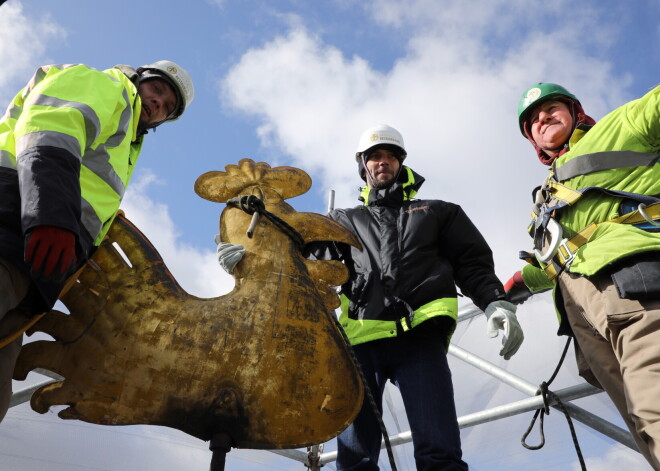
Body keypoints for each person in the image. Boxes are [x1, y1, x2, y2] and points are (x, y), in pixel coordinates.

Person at [217, 124, 524, 470]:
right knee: (355, 458)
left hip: (420, 339)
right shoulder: (340, 222)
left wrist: (495, 301)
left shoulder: (438, 213)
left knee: (439, 451)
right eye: (374, 156)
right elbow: (300, 269)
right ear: (362, 166)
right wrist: (247, 260)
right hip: (358, 345)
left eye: (390, 156)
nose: (383, 162)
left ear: (401, 163)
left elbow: (472, 265)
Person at [0, 60, 194, 422]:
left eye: (167, 107)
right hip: (12, 227)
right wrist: (52, 215)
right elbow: (51, 131)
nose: (158, 105)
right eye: (157, 90)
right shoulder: (106, 87)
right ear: (140, 77)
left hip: (36, 271)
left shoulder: (126, 144)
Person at [505, 83, 660, 469]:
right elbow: (558, 257)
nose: (542, 119)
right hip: (586, 320)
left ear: (575, 112)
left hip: (631, 284)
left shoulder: (621, 127)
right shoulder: (547, 194)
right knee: (644, 427)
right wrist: (514, 285)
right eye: (532, 121)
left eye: (551, 109)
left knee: (656, 406)